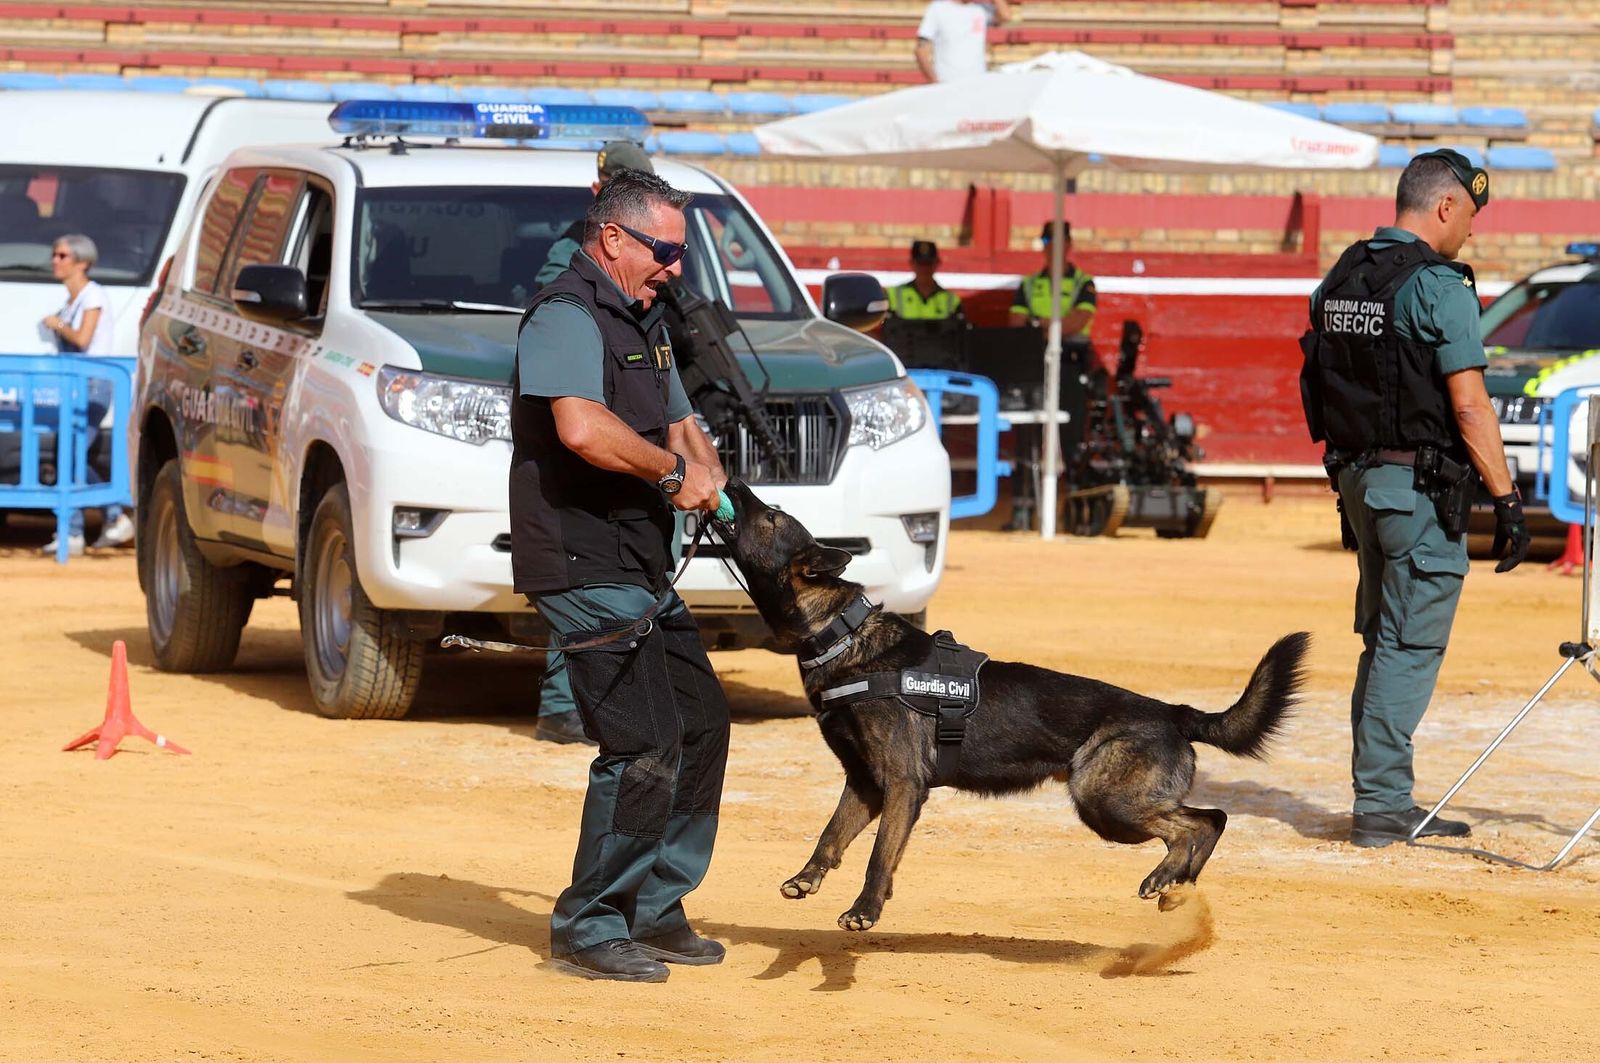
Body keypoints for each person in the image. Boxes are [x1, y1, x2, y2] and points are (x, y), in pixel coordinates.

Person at [512, 168, 732, 982]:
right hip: (579, 555)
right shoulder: (565, 314)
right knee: (642, 739)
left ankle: (652, 904)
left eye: (681, 252)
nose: (675, 266)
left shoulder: (645, 315)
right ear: (612, 237)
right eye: (664, 250)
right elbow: (580, 427)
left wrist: (710, 474)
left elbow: (679, 418)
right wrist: (674, 475)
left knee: (702, 720)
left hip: (637, 558)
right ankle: (590, 922)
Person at [1300, 149, 1530, 849]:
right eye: (1470, 216)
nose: (1471, 232)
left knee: (1383, 640)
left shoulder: (1342, 275)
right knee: (1409, 643)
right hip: (1414, 489)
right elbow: (1470, 405)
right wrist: (1507, 500)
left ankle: (1381, 793)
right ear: (1445, 207)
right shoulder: (1437, 286)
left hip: (1358, 483)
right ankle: (1382, 804)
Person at [527, 140, 659, 744]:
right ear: (599, 194)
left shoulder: (657, 257)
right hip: (594, 430)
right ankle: (564, 706)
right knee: (586, 571)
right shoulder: (571, 263)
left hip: (645, 431)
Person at [40, 233, 133, 556]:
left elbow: (83, 339)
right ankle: (105, 518)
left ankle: (85, 526)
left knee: (70, 455)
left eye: (62, 256)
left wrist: (57, 325)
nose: (55, 261)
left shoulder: (93, 296)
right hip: (77, 386)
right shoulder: (74, 300)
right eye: (55, 254)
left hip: (92, 386)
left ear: (82, 263)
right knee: (71, 455)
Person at [534, 140, 655, 288]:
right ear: (597, 190)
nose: (627, 202)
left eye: (634, 194)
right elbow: (556, 288)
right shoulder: (577, 243)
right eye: (615, 191)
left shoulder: (662, 241)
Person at [1010, 220, 1097, 336]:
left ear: (1068, 243)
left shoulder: (1083, 282)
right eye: (1047, 240)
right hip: (1036, 344)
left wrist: (1036, 322)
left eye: (1057, 240)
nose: (1052, 245)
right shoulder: (1029, 282)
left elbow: (1076, 323)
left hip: (1072, 345)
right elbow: (1016, 322)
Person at [915, 0, 1010, 83]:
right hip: (947, 83)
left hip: (977, 83)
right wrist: (935, 81)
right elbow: (921, 51)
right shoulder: (938, 9)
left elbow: (1005, 16)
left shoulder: (980, 10)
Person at [886, 240, 964, 321]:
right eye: (920, 263)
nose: (924, 268)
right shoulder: (893, 295)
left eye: (928, 263)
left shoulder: (952, 300)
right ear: (911, 263)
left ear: (937, 263)